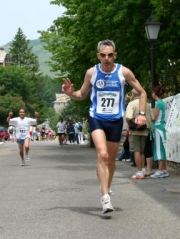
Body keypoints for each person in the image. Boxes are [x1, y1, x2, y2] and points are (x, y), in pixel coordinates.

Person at [62, 39, 147, 214]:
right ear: (98, 55)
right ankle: (105, 198)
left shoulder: (124, 72)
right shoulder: (91, 73)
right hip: (97, 118)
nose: (106, 58)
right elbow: (82, 94)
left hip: (115, 119)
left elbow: (143, 92)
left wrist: (142, 114)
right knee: (102, 154)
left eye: (110, 55)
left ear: (114, 55)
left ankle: (107, 188)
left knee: (110, 160)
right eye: (103, 55)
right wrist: (71, 94)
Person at [126, 88, 153, 179]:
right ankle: (143, 170)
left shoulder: (131, 104)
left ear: (133, 95)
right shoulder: (147, 104)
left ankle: (139, 171)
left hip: (135, 131)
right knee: (142, 151)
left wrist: (131, 123)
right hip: (145, 130)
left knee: (136, 151)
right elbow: (152, 117)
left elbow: (129, 117)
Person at [150, 86, 169, 178]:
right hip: (161, 127)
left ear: (154, 93)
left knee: (158, 149)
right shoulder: (162, 103)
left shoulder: (158, 104)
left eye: (152, 92)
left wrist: (147, 118)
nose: (151, 94)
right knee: (162, 149)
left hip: (157, 128)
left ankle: (160, 170)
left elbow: (154, 117)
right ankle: (164, 170)